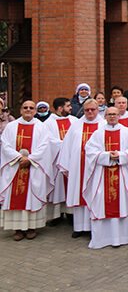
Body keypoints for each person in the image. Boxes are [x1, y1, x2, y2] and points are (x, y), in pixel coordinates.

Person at [83, 106, 128, 249]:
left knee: (120, 203)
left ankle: (120, 238)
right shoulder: (97, 133)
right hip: (102, 176)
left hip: (121, 174)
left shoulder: (127, 132)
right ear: (105, 116)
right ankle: (101, 239)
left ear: (119, 116)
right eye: (109, 114)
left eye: (114, 114)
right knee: (101, 203)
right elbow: (89, 151)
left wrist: (120, 155)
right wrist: (107, 156)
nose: (112, 117)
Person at [0, 100, 53, 241]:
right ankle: (17, 229)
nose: (28, 110)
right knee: (15, 197)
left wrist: (30, 159)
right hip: (15, 168)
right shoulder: (11, 126)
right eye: (25, 107)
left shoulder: (41, 127)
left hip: (33, 168)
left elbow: (44, 146)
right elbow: (5, 145)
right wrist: (19, 157)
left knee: (32, 196)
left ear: (35, 111)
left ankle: (31, 228)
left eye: (31, 108)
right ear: (21, 110)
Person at [58, 98, 105, 238]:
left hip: (97, 167)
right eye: (87, 110)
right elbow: (67, 145)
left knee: (94, 195)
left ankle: (94, 227)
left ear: (98, 110)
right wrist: (66, 165)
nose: (90, 112)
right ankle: (79, 227)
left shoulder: (103, 125)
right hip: (79, 167)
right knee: (79, 194)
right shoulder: (76, 125)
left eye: (93, 109)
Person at [43, 97, 75, 223]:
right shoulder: (48, 124)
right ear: (60, 108)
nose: (71, 108)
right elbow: (49, 141)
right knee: (58, 188)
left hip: (72, 161)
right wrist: (67, 146)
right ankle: (57, 215)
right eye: (68, 106)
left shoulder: (74, 121)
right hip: (56, 162)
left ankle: (71, 214)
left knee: (71, 186)